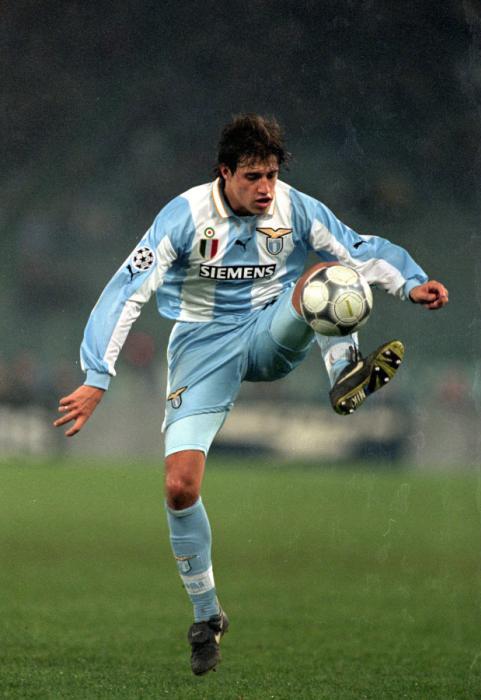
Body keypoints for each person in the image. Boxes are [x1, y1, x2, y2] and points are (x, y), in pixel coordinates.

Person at [53, 114, 448, 675]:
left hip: (270, 330)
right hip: (201, 349)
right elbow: (126, 291)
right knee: (179, 488)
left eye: (271, 174)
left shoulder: (295, 208)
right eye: (253, 177)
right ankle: (207, 617)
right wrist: (98, 376)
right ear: (225, 173)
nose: (266, 188)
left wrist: (411, 282)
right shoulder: (185, 216)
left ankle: (345, 370)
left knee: (331, 275)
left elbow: (358, 246)